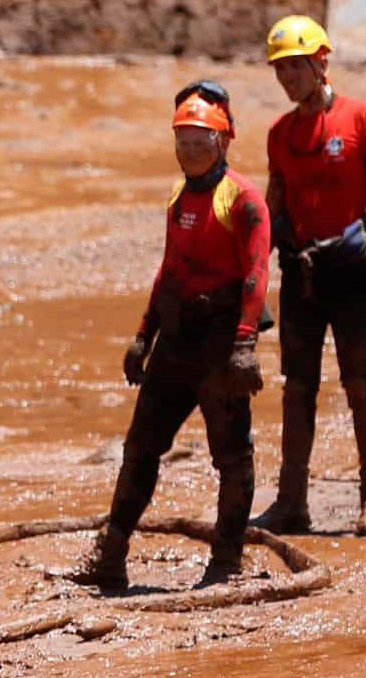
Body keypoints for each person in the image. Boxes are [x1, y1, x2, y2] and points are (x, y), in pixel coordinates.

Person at [69, 83, 270, 590]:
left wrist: (245, 345)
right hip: (177, 339)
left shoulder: (244, 199)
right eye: (183, 138)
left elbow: (256, 274)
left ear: (223, 141)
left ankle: (226, 563)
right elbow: (168, 270)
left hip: (222, 344)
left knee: (231, 455)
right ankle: (110, 556)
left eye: (201, 139)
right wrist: (143, 335)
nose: (191, 148)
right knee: (140, 446)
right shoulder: (178, 196)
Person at [254, 14, 366, 536]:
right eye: (281, 70)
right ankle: (291, 500)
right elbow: (274, 207)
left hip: (348, 269)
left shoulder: (362, 118)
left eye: (296, 67)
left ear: (321, 63)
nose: (288, 78)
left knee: (359, 381)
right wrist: (253, 279)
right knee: (297, 386)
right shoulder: (280, 134)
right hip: (299, 271)